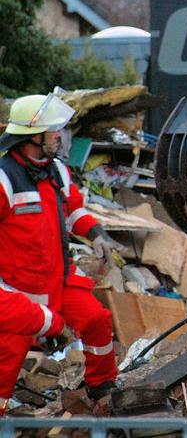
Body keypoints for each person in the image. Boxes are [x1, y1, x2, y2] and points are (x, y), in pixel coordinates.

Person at [0, 94, 123, 416]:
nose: (61, 136)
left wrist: (97, 234)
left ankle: (102, 387)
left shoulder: (57, 171)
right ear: (34, 136)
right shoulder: (3, 178)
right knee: (5, 367)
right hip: (19, 290)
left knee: (96, 320)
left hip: (59, 278)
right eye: (55, 130)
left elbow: (72, 211)